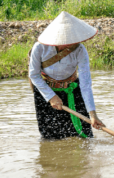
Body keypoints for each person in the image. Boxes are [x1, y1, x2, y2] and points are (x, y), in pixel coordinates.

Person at [29, 11, 105, 139]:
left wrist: (92, 115)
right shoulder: (40, 48)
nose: (72, 42)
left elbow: (86, 84)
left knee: (85, 135)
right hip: (46, 91)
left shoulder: (80, 50)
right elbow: (34, 75)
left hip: (72, 89)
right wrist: (51, 97)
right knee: (50, 136)